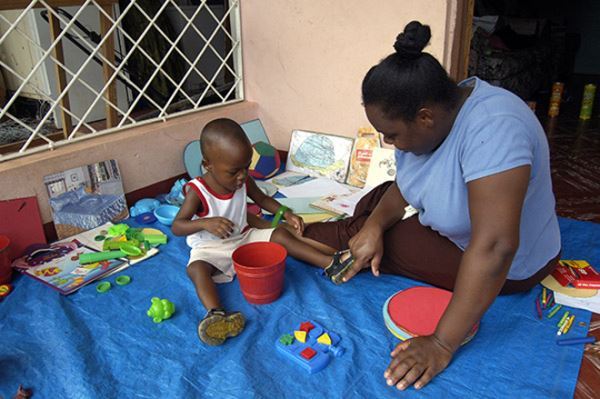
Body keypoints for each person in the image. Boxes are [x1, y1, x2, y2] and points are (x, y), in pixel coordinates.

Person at [303, 21, 561, 390]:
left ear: (425, 116)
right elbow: (406, 186)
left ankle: (301, 235)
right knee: (375, 210)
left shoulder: (495, 129)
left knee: (354, 240)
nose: (389, 144)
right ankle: (357, 231)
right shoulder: (443, 110)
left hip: (511, 265)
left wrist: (441, 343)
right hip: (467, 234)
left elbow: (496, 248)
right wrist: (374, 226)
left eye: (392, 135)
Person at [172, 118, 351, 346]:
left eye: (246, 168)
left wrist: (286, 213)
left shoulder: (242, 179)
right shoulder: (197, 191)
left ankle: (330, 264)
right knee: (196, 269)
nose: (241, 176)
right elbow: (178, 226)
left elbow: (263, 199)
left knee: (280, 236)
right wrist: (204, 224)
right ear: (208, 165)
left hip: (243, 237)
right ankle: (216, 314)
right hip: (210, 248)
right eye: (233, 171)